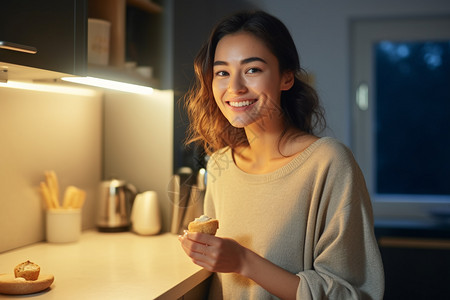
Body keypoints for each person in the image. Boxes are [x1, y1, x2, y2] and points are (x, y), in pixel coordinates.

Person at [178, 10, 384, 300]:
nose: (235, 87)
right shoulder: (220, 163)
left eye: (252, 70)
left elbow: (350, 295)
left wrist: (243, 261)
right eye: (222, 72)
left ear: (286, 78)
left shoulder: (329, 162)